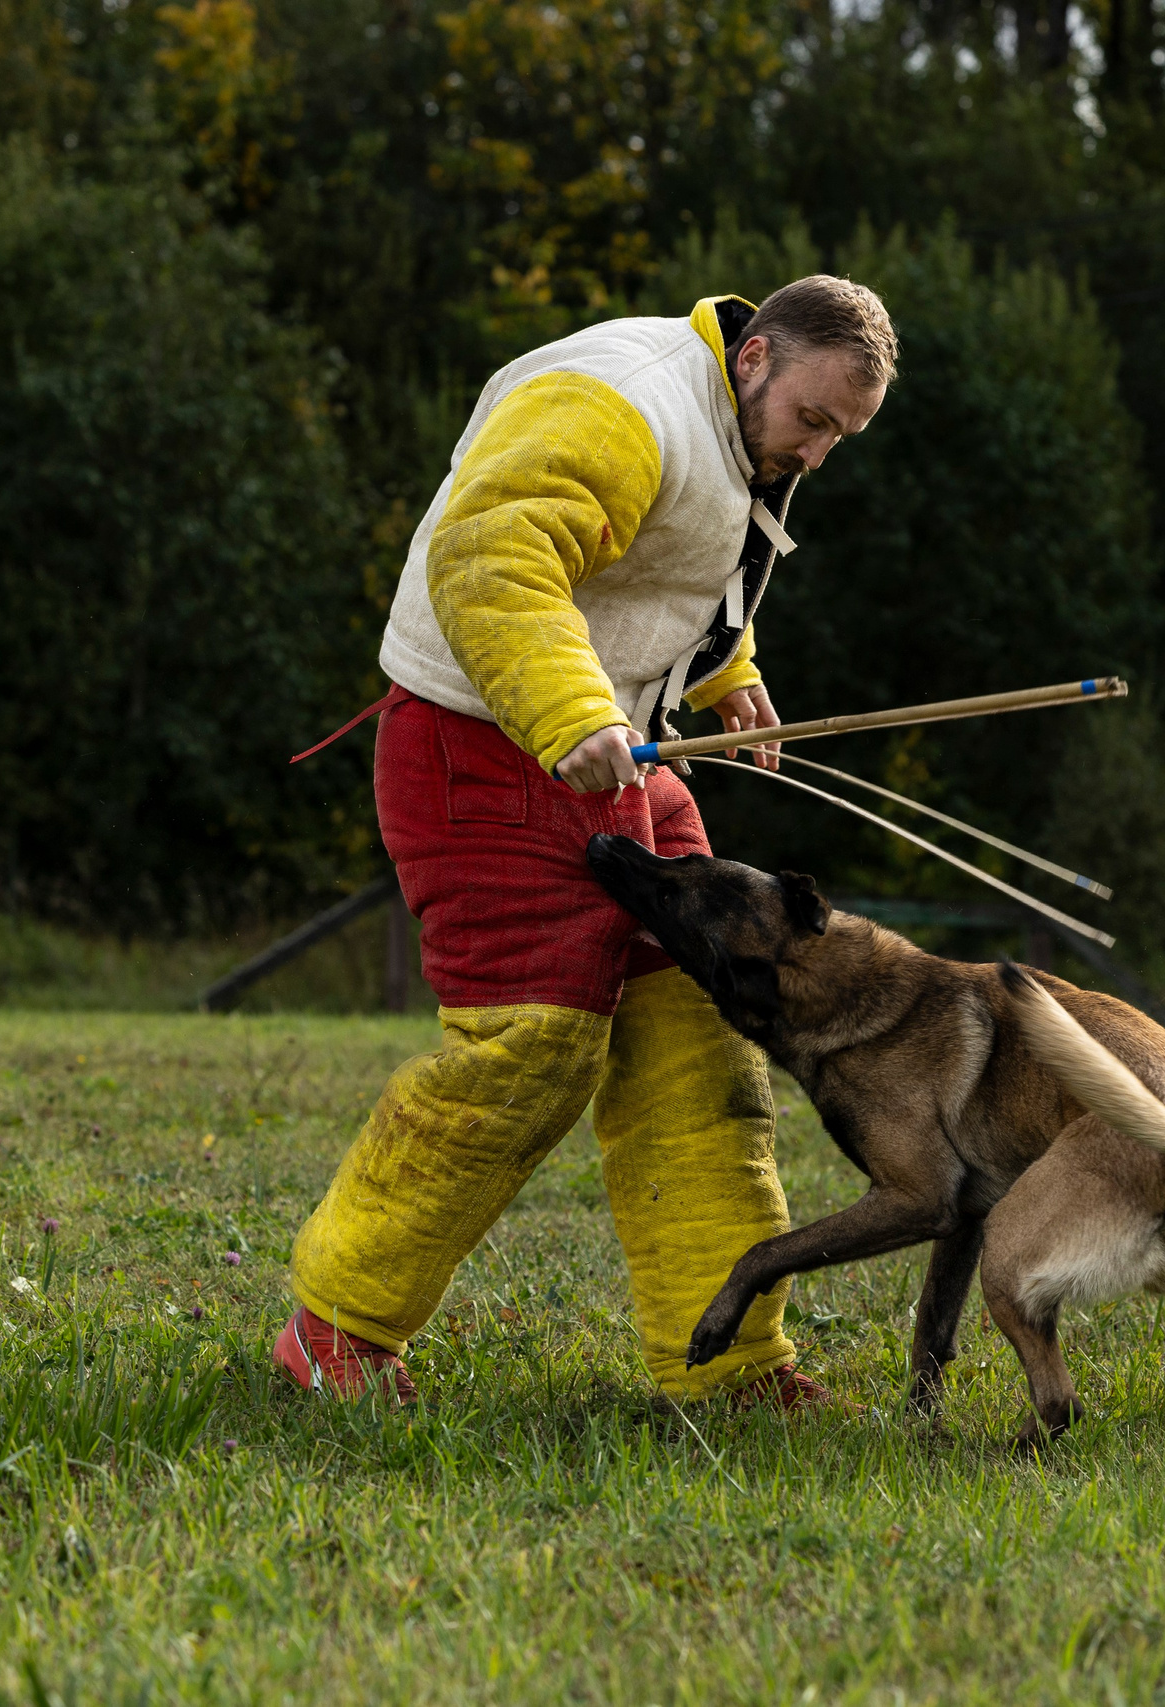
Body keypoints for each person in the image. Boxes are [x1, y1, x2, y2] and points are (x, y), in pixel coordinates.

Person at [272, 277, 896, 1409]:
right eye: (813, 421)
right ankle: (334, 1336)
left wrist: (726, 673)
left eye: (841, 436)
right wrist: (571, 716)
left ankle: (734, 1367)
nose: (816, 454)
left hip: (620, 751)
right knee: (531, 1050)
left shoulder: (732, 425)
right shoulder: (622, 398)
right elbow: (494, 554)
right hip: (483, 743)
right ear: (753, 357)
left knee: (703, 1034)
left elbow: (673, 557)